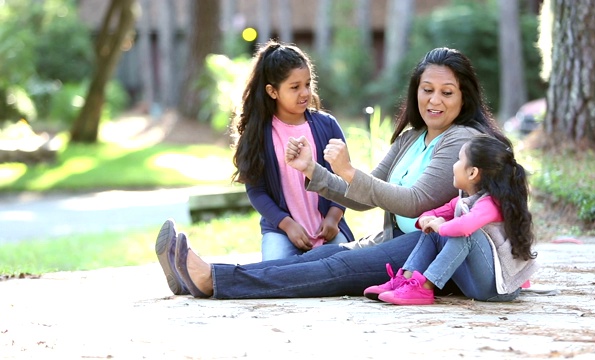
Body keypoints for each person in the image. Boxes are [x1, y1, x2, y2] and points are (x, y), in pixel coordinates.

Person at [155, 47, 512, 299]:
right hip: (395, 244)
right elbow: (364, 199)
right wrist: (314, 170)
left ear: (464, 97)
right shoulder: (411, 139)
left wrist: (350, 171)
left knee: (334, 267)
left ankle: (212, 279)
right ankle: (204, 280)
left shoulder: (463, 140)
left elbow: (414, 203)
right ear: (415, 91)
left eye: (447, 93)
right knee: (317, 258)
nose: (434, 100)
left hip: (430, 254)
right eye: (427, 89)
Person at [366, 134, 539, 305]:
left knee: (466, 234)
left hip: (499, 289)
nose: (454, 165)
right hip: (475, 284)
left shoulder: (491, 204)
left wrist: (442, 226)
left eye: (458, 159)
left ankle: (425, 287)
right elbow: (434, 213)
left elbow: (465, 227)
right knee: (435, 231)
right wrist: (427, 220)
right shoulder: (464, 201)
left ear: (472, 172)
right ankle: (405, 280)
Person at [229, 39, 354, 261]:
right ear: (272, 91)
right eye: (294, 87)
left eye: (307, 84)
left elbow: (344, 177)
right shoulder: (258, 133)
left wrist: (334, 217)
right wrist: (287, 225)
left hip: (329, 229)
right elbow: (256, 191)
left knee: (345, 268)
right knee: (275, 273)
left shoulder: (328, 125)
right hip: (282, 231)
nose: (304, 93)